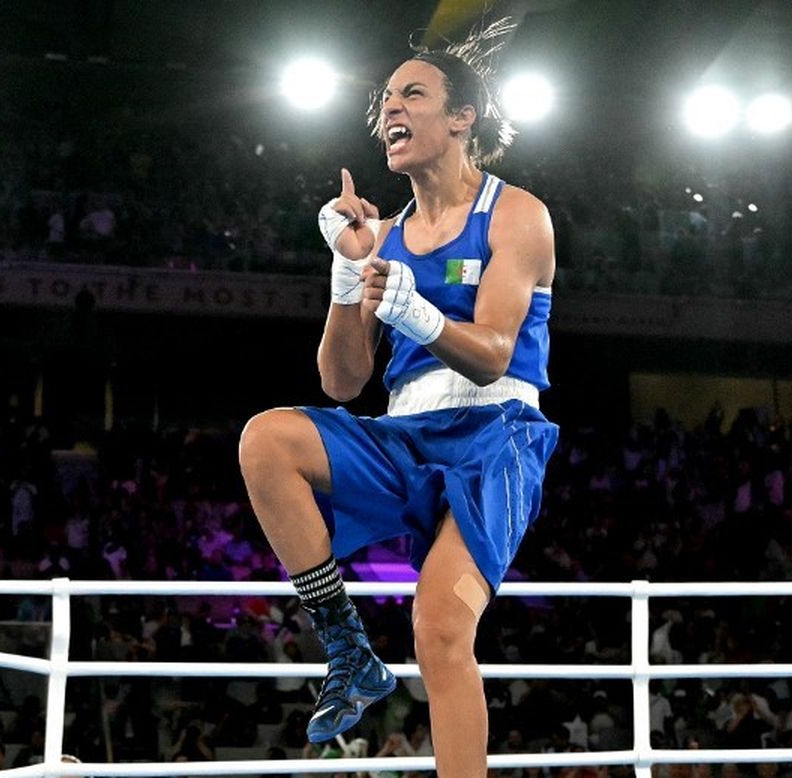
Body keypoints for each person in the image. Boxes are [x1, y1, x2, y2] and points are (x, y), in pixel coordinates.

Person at [237, 20, 558, 777]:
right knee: (266, 440)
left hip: (497, 435)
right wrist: (347, 274)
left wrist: (415, 311)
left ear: (462, 117)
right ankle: (346, 648)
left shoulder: (517, 214)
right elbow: (342, 381)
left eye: (412, 93)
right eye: (385, 97)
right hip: (404, 433)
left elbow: (495, 355)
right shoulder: (383, 234)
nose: (390, 108)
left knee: (441, 630)